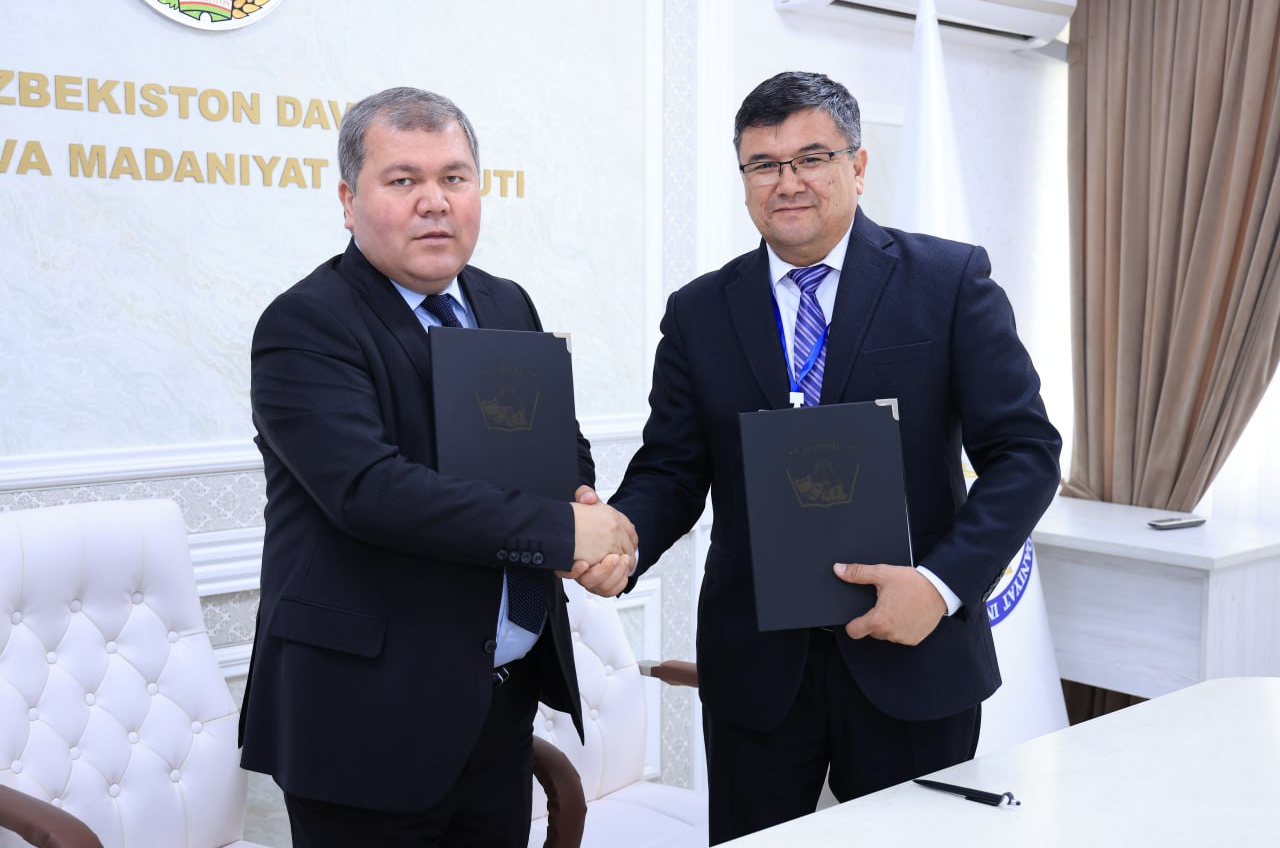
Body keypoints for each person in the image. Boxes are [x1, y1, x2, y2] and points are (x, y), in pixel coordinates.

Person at [607, 71, 1062, 844]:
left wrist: (939, 586)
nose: (787, 182)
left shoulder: (949, 282)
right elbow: (672, 471)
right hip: (757, 669)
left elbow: (1025, 452)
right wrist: (621, 537)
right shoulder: (698, 312)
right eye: (763, 164)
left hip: (914, 654)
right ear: (744, 177)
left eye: (811, 158)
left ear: (857, 164)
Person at [238, 86, 635, 847]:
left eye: (454, 177)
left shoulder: (506, 304)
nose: (434, 201)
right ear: (349, 201)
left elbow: (557, 447)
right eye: (403, 180)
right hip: (365, 719)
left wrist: (582, 506)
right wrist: (565, 532)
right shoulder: (305, 323)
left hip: (498, 706)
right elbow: (371, 491)